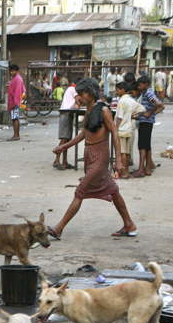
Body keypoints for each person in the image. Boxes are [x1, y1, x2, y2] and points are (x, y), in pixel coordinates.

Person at [48, 78, 137, 239]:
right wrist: (64, 147)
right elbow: (84, 134)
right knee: (114, 191)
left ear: (91, 93)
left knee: (80, 191)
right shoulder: (89, 109)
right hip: (91, 155)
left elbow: (115, 134)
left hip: (100, 157)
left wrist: (117, 161)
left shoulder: (103, 110)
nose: (79, 97)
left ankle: (59, 228)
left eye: (82, 94)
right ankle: (129, 224)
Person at [132, 74, 163, 177]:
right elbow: (161, 106)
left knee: (142, 146)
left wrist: (149, 114)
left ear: (145, 84)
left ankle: (141, 169)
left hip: (146, 122)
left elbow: (158, 104)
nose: (139, 87)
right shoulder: (146, 92)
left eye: (140, 85)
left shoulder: (148, 92)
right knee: (147, 146)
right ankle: (148, 168)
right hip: (146, 121)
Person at [114, 82, 145, 179]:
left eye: (117, 89)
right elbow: (142, 108)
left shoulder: (122, 101)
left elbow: (119, 116)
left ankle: (124, 173)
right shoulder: (131, 100)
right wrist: (131, 116)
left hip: (122, 128)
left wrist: (115, 128)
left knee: (122, 152)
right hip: (129, 128)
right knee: (127, 152)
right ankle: (126, 171)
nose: (116, 91)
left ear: (122, 90)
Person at [53, 81, 79, 169]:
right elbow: (78, 100)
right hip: (66, 113)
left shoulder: (70, 89)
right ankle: (57, 160)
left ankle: (64, 162)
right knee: (64, 138)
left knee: (67, 139)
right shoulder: (74, 88)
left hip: (68, 113)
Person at [7, 63, 25, 140]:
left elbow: (18, 92)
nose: (11, 72)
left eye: (13, 71)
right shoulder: (16, 78)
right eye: (11, 71)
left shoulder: (17, 79)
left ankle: (15, 135)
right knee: (15, 118)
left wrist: (15, 103)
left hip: (15, 102)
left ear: (17, 71)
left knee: (15, 119)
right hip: (14, 101)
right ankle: (17, 135)